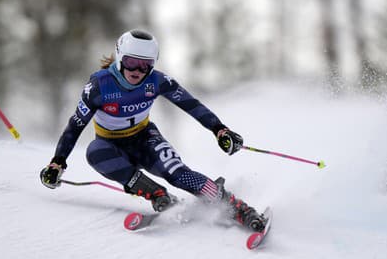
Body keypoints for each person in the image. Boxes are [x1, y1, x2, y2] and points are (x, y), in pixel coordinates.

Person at [40, 29, 267, 231]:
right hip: (111, 146)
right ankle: (157, 194)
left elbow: (191, 104)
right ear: (119, 57)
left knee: (178, 174)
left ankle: (236, 207)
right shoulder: (98, 87)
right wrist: (57, 162)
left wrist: (219, 130)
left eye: (145, 64)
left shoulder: (157, 82)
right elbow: (75, 126)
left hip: (146, 139)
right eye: (131, 62)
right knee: (94, 152)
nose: (137, 70)